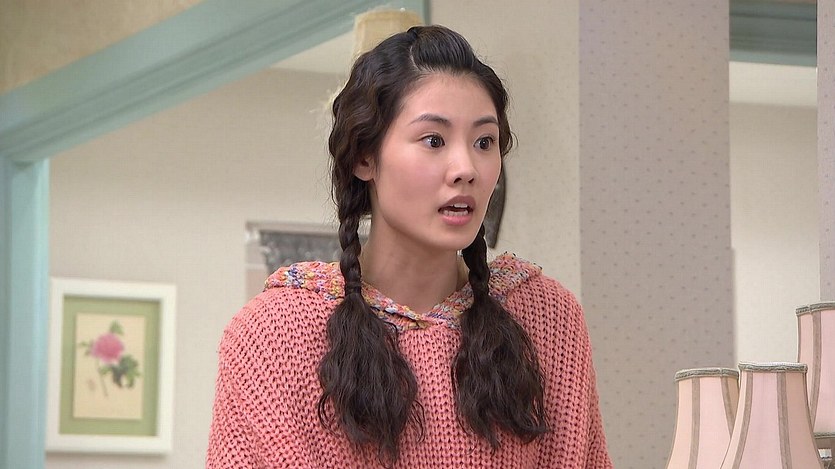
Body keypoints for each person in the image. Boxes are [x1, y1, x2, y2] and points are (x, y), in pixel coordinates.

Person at [207, 25, 612, 469]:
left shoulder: (547, 318)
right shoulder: (271, 337)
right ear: (365, 157)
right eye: (434, 140)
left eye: (484, 142)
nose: (466, 168)